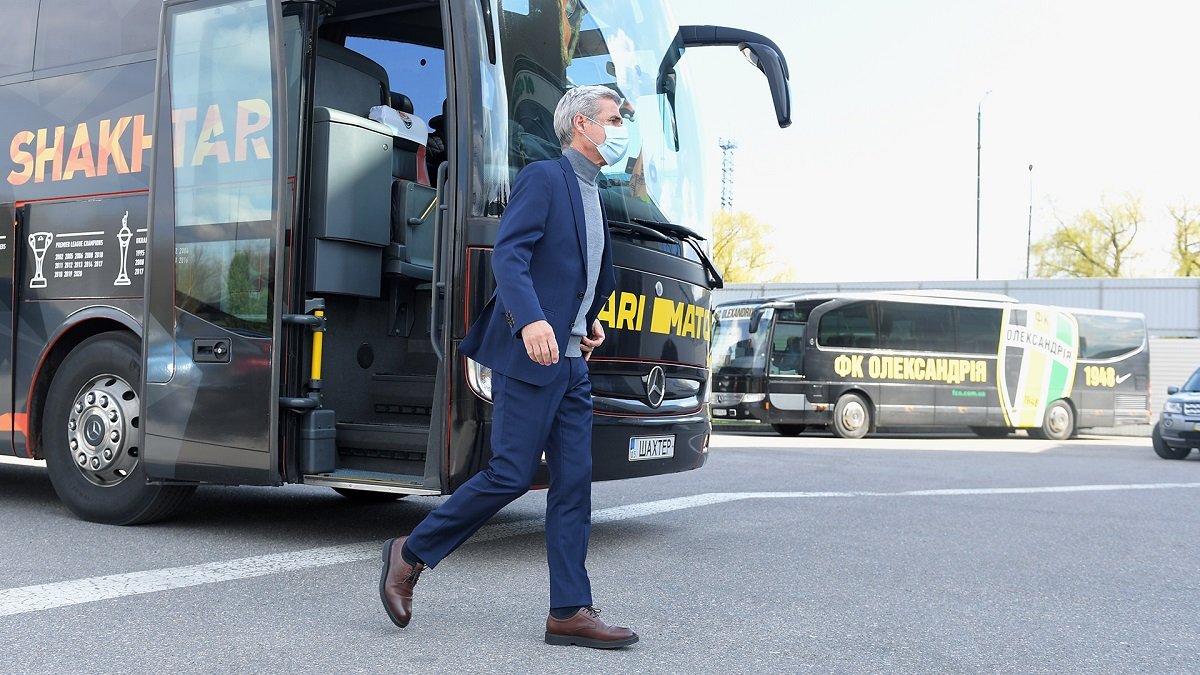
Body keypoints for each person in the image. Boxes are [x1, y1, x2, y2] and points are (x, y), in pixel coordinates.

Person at [378, 85, 638, 649]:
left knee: (574, 484)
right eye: (614, 119)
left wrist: (589, 321)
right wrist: (531, 321)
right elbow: (511, 255)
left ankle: (568, 610)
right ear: (582, 125)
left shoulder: (596, 194)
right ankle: (410, 553)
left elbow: (584, 273)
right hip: (531, 355)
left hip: (572, 362)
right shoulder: (545, 178)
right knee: (511, 473)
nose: (621, 130)